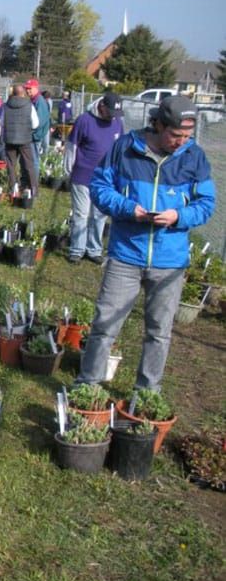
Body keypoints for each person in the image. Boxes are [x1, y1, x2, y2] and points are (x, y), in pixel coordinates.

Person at [76, 95, 215, 393]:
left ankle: (146, 392)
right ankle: (88, 385)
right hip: (126, 254)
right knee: (104, 325)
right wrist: (130, 209)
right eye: (175, 135)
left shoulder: (195, 158)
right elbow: (99, 187)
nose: (181, 142)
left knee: (159, 332)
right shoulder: (125, 148)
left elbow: (206, 204)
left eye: (187, 136)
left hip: (170, 261)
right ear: (158, 123)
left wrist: (178, 215)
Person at [65, 92, 125, 265]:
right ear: (102, 107)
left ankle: (94, 249)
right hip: (83, 175)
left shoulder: (117, 123)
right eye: (111, 112)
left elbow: (120, 148)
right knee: (81, 214)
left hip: (106, 179)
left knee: (99, 215)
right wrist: (69, 169)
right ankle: (77, 249)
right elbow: (72, 146)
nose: (113, 117)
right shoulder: (84, 120)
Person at [2, 84, 38, 198]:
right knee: (29, 165)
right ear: (23, 93)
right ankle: (33, 190)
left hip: (10, 139)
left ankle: (13, 188)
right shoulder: (29, 105)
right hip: (25, 139)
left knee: (11, 165)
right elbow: (35, 124)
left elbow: (1, 123)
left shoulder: (6, 105)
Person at [25, 78, 50, 173]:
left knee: (33, 160)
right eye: (26, 88)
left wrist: (30, 131)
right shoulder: (33, 100)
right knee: (31, 160)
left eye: (29, 88)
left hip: (35, 136)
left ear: (36, 88)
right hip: (32, 135)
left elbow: (39, 122)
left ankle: (33, 183)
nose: (27, 90)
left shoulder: (40, 101)